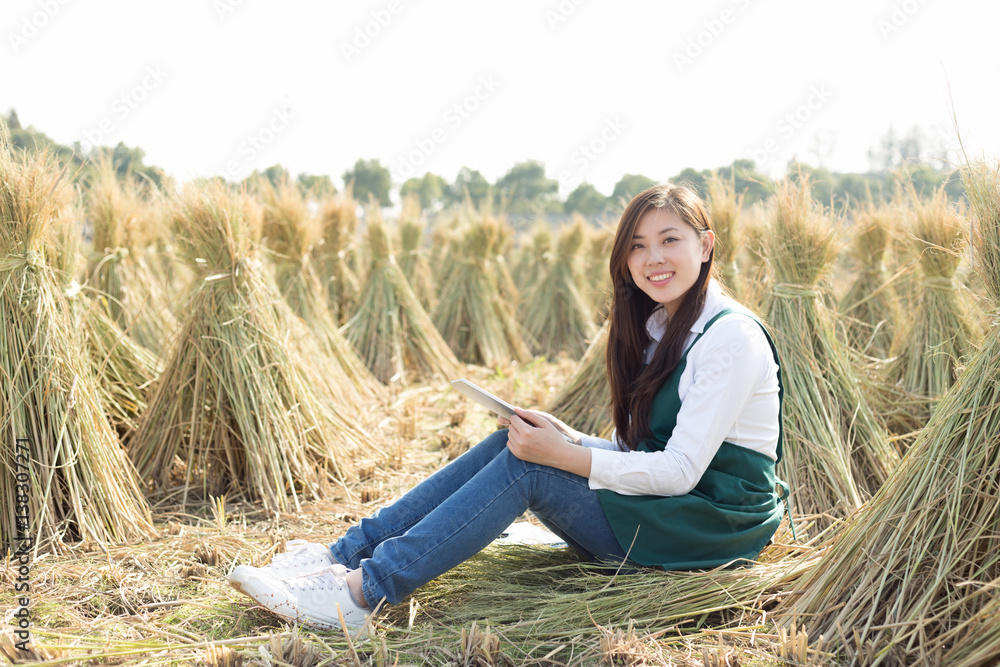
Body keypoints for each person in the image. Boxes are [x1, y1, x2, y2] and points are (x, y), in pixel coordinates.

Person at [228, 183, 789, 632]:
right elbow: (643, 450)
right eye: (637, 245)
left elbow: (680, 471)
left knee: (531, 464)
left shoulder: (729, 338)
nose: (653, 258)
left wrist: (565, 458)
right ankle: (344, 553)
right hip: (669, 510)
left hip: (706, 526)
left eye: (670, 240)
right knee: (516, 439)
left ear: (706, 244)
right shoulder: (663, 324)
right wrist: (567, 437)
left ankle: (361, 594)